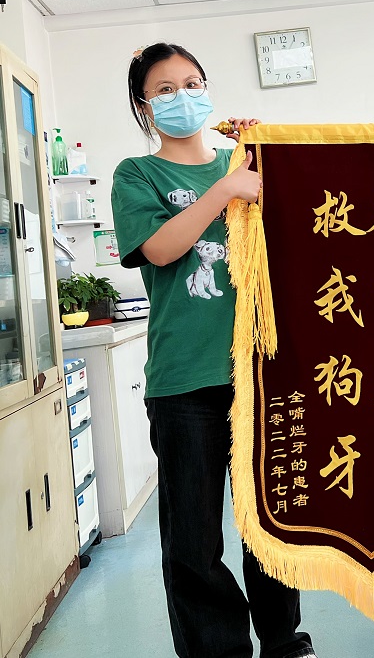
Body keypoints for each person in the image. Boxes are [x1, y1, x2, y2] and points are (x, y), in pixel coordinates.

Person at [111, 42, 317, 658]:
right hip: (184, 382)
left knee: (270, 526)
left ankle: (284, 642)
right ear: (144, 106)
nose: (182, 96)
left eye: (193, 83)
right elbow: (160, 250)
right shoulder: (137, 174)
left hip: (261, 376)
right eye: (165, 89)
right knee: (193, 540)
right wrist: (226, 188)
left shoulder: (246, 161)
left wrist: (259, 154)